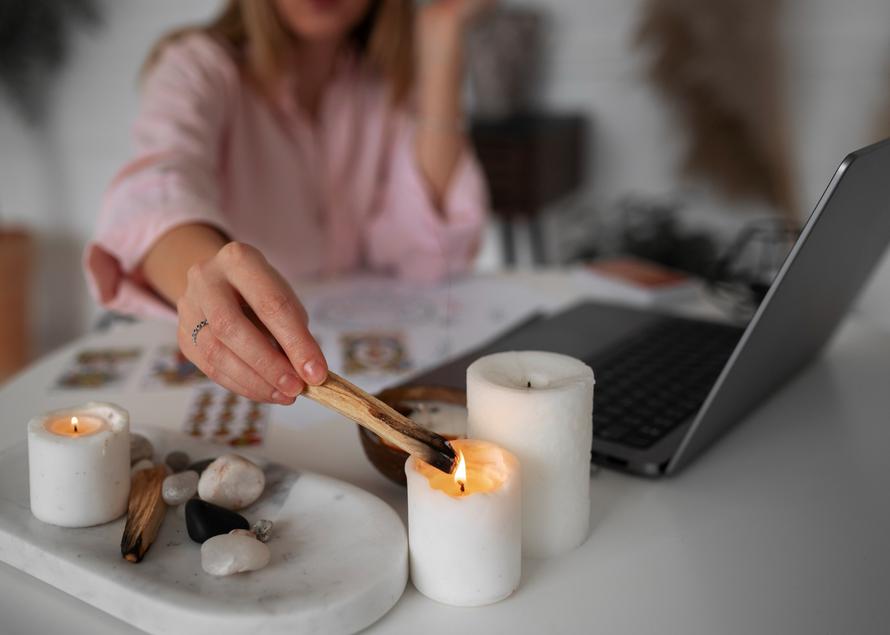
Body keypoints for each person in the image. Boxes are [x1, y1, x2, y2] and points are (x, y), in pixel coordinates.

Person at [84, 0, 491, 406]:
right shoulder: (197, 66)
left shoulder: (379, 83)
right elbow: (155, 189)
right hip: (222, 377)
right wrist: (207, 274)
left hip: (354, 362)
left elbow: (431, 251)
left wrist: (441, 36)